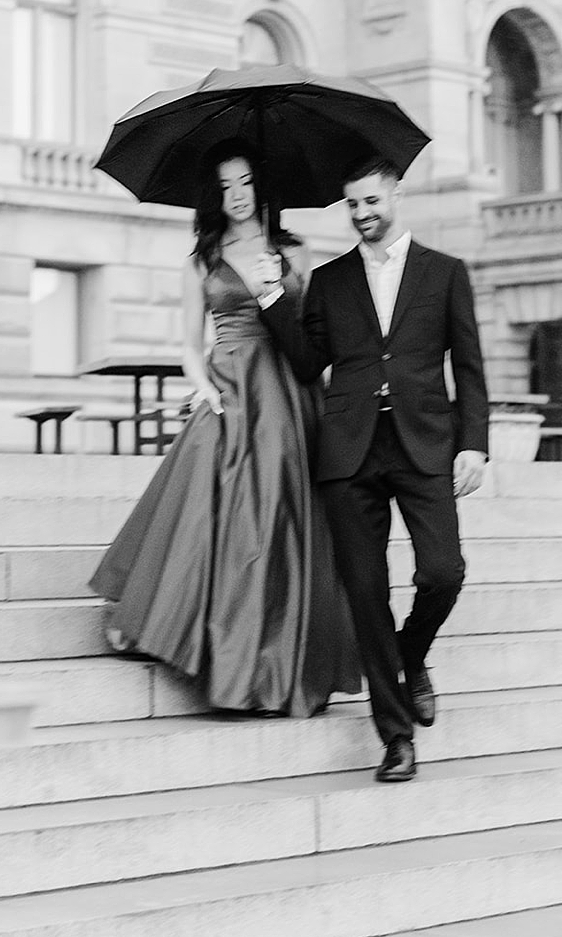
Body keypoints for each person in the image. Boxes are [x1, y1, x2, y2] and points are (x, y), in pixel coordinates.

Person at [90, 139, 360, 717]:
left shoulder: (295, 251)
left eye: (244, 182)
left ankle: (278, 661)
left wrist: (278, 286)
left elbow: (313, 337)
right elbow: (190, 344)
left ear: (262, 186)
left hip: (289, 390)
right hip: (230, 384)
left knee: (286, 520)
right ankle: (212, 644)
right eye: (224, 187)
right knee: (222, 514)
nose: (236, 196)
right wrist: (205, 386)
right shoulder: (200, 259)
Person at [255, 153, 489, 781]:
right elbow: (307, 364)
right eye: (351, 204)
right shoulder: (330, 282)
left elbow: (468, 366)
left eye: (370, 201)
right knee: (366, 594)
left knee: (444, 572)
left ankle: (412, 657)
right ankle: (396, 737)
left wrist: (475, 443)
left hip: (423, 446)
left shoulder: (445, 273)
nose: (361, 214)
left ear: (395, 197)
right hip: (350, 451)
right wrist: (275, 296)